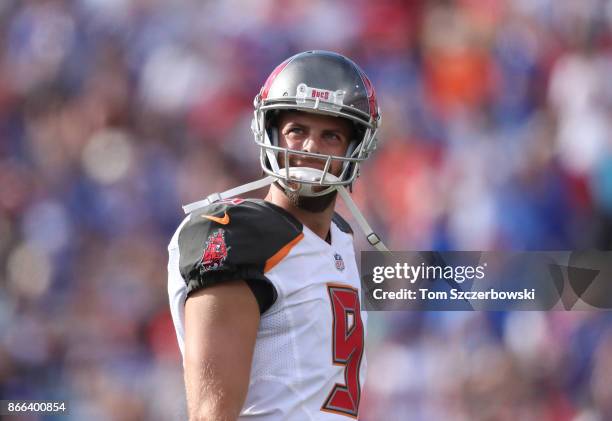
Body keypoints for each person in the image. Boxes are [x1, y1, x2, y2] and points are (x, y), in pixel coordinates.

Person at [168, 50, 387, 420]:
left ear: (355, 146)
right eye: (297, 130)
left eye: (330, 135)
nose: (311, 147)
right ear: (269, 132)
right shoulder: (241, 235)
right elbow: (212, 413)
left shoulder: (342, 240)